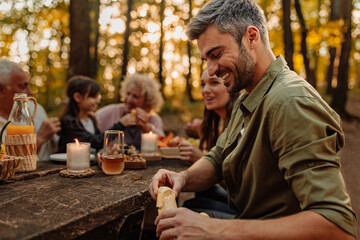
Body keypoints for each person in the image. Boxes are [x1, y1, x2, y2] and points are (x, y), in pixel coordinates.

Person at [149, 0, 357, 239]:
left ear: (251, 37)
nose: (211, 69)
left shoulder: (290, 102)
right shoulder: (248, 96)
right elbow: (218, 159)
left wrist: (214, 229)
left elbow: (337, 225)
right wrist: (182, 178)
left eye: (216, 54)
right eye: (206, 59)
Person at [179, 68, 239, 218]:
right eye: (202, 84)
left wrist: (200, 158)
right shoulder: (219, 124)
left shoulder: (240, 124)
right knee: (198, 194)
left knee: (188, 209)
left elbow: (238, 186)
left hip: (249, 210)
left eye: (214, 83)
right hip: (236, 200)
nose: (205, 90)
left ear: (231, 86)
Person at [0, 59, 61, 160]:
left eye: (29, 85)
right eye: (23, 86)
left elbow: (56, 150)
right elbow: (6, 163)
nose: (30, 92)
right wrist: (39, 139)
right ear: (1, 89)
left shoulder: (36, 109)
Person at [57, 75, 125, 153]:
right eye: (93, 97)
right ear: (77, 97)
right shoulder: (70, 122)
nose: (97, 101)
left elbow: (98, 145)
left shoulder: (91, 119)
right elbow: (97, 141)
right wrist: (121, 124)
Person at [96, 74, 164, 150]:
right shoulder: (109, 112)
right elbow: (93, 139)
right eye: (128, 94)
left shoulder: (153, 119)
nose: (129, 100)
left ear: (147, 101)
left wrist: (147, 128)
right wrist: (121, 124)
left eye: (135, 97)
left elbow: (164, 144)